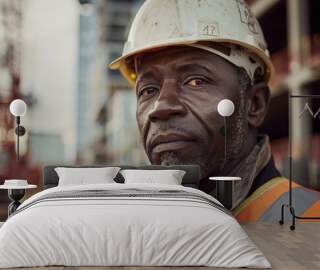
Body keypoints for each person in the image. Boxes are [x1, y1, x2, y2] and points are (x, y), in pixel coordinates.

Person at [109, 0, 320, 221]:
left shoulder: (310, 224)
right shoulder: (144, 227)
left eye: (196, 81)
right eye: (148, 90)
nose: (160, 107)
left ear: (254, 104)